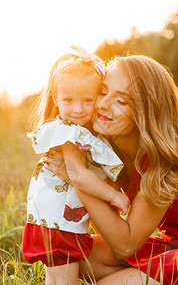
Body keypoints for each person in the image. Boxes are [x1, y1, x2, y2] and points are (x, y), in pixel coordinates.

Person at [44, 55, 178, 284]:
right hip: (175, 246)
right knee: (71, 254)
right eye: (103, 91)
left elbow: (125, 245)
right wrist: (87, 174)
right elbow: (111, 227)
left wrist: (78, 176)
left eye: (122, 101)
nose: (103, 104)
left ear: (147, 112)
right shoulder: (110, 145)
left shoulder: (168, 162)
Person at [22, 46, 129, 285]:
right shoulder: (66, 132)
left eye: (87, 100)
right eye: (69, 100)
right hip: (57, 221)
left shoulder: (85, 132)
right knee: (63, 281)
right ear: (55, 99)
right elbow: (76, 174)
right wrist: (115, 196)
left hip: (64, 221)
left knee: (62, 279)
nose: (78, 109)